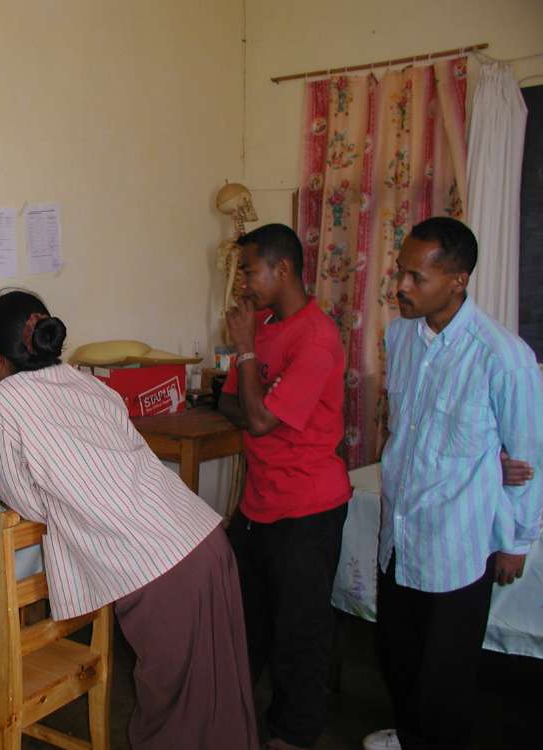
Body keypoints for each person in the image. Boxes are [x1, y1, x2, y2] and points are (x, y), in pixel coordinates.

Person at [0, 289, 259, 749]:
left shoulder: (0, 404)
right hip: (204, 540)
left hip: (161, 566)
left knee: (173, 711)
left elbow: (27, 503)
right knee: (218, 690)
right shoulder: (88, 385)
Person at [371, 216, 542, 750]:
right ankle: (410, 737)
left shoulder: (503, 357)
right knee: (398, 657)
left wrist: (516, 541)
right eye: (400, 271)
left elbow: (528, 457)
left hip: (456, 545)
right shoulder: (400, 335)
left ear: (457, 280)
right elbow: (407, 430)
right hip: (399, 534)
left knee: (442, 680)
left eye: (416, 277)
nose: (401, 286)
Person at [218, 223, 352, 750]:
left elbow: (255, 419)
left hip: (307, 507)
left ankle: (295, 735)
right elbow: (231, 403)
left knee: (300, 632)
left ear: (283, 269)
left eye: (249, 271)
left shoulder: (316, 338)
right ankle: (235, 718)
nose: (242, 284)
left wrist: (248, 358)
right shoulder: (263, 327)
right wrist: (259, 397)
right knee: (245, 621)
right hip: (258, 504)